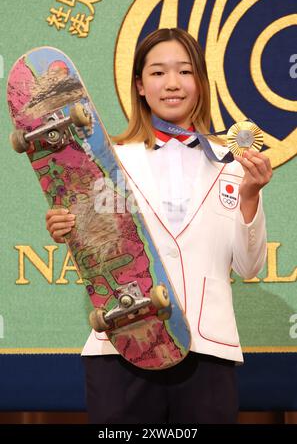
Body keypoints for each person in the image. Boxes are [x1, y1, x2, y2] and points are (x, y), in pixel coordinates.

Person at [45, 28, 272, 424]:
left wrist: (251, 196)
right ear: (139, 85)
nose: (172, 84)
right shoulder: (105, 161)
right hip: (122, 346)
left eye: (184, 72)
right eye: (157, 73)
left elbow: (249, 267)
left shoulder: (234, 165)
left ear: (200, 82)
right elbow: (100, 252)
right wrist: (69, 228)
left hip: (207, 350)